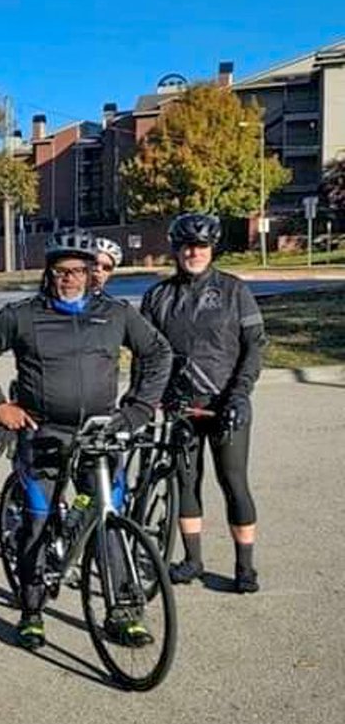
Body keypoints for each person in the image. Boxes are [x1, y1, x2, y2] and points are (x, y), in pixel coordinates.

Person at [0, 228, 172, 649]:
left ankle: (122, 611)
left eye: (79, 270)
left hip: (100, 433)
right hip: (43, 433)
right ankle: (32, 610)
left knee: (108, 518)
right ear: (49, 273)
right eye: (62, 271)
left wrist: (138, 408)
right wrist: (0, 406)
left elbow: (158, 354)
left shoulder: (115, 313)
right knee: (38, 521)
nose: (70, 278)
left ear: (92, 273)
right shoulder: (23, 314)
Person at [141, 213, 264, 593]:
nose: (194, 252)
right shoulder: (158, 295)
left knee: (234, 482)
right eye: (187, 246)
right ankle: (193, 560)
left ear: (213, 249)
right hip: (181, 406)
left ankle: (245, 567)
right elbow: (147, 354)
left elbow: (254, 347)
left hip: (226, 404)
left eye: (202, 246)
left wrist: (240, 394)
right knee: (186, 482)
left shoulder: (233, 289)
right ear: (176, 249)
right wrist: (146, 401)